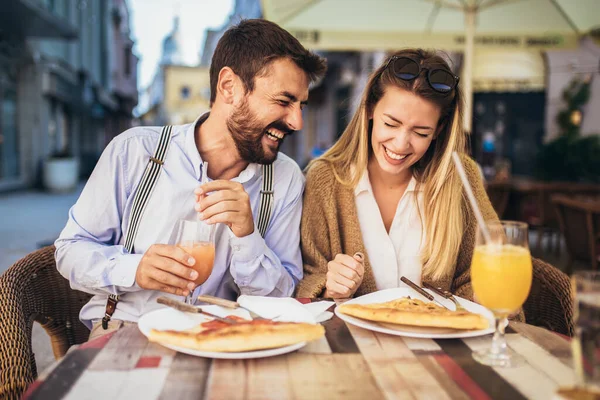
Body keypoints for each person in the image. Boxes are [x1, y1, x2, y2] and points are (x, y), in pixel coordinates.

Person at [55, 19, 327, 340]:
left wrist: (247, 236)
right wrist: (134, 269)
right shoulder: (135, 151)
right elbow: (70, 250)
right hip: (127, 331)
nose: (296, 121)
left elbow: (283, 297)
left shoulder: (284, 177)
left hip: (220, 338)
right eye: (283, 102)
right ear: (229, 87)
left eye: (301, 105)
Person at [296, 49, 545, 315]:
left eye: (420, 132)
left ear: (438, 130)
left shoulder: (461, 179)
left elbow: (484, 273)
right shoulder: (325, 179)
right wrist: (329, 287)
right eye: (391, 124)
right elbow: (307, 280)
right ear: (369, 109)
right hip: (353, 348)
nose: (401, 144)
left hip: (441, 347)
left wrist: (483, 297)